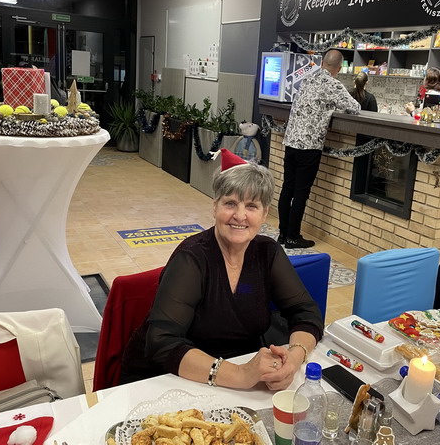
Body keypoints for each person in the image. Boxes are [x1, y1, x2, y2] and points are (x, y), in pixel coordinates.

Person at [120, 149, 323, 390]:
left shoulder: (267, 253)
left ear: (265, 214)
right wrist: (240, 374)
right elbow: (162, 343)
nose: (240, 215)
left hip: (234, 376)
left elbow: (305, 312)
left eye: (251, 206)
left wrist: (294, 360)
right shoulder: (192, 258)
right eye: (230, 203)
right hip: (166, 378)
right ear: (215, 207)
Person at [278, 49, 361, 249]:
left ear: (322, 62)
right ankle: (293, 237)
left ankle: (282, 233)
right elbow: (355, 107)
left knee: (287, 188)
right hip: (309, 146)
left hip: (291, 142)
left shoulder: (307, 78)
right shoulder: (333, 84)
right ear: (339, 68)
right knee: (301, 193)